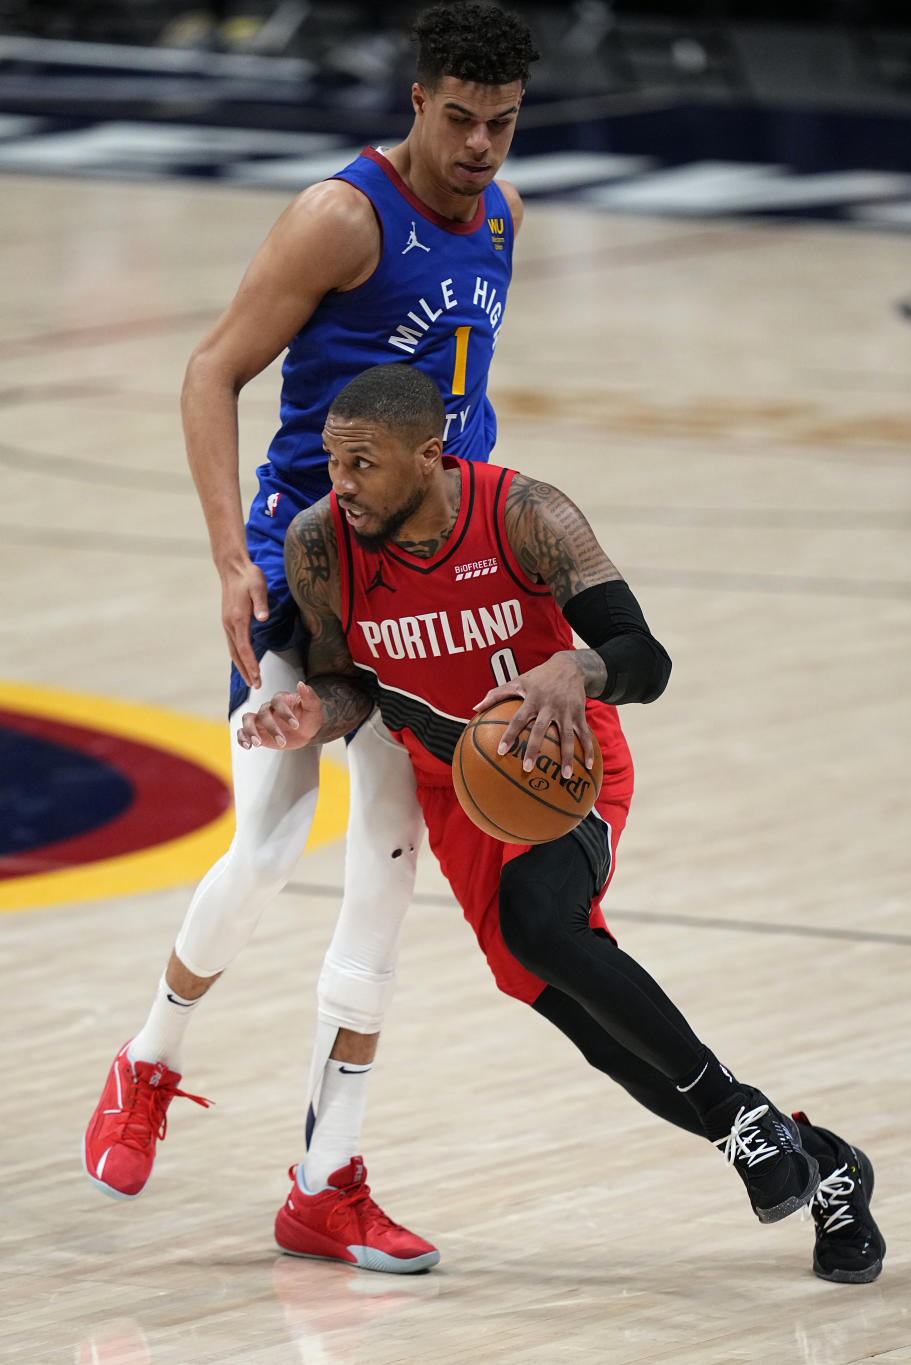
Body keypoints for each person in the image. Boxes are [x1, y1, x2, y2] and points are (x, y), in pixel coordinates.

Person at [239, 362, 886, 1285]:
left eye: (361, 463)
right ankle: (820, 1158)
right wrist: (315, 711)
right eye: (333, 463)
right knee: (598, 1031)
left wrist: (577, 672)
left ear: (430, 455)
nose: (339, 483)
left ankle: (740, 1120)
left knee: (545, 923)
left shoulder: (526, 515)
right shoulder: (320, 544)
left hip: (562, 769)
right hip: (457, 792)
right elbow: (349, 680)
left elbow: (644, 656)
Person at [83, 3, 539, 1271]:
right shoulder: (342, 216)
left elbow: (463, 407)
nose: (481, 148)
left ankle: (324, 1178)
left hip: (427, 591)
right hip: (308, 571)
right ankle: (149, 1058)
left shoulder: (503, 217)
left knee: (388, 876)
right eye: (460, 118)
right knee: (274, 847)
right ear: (416, 100)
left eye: (502, 124)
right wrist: (230, 557)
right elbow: (209, 369)